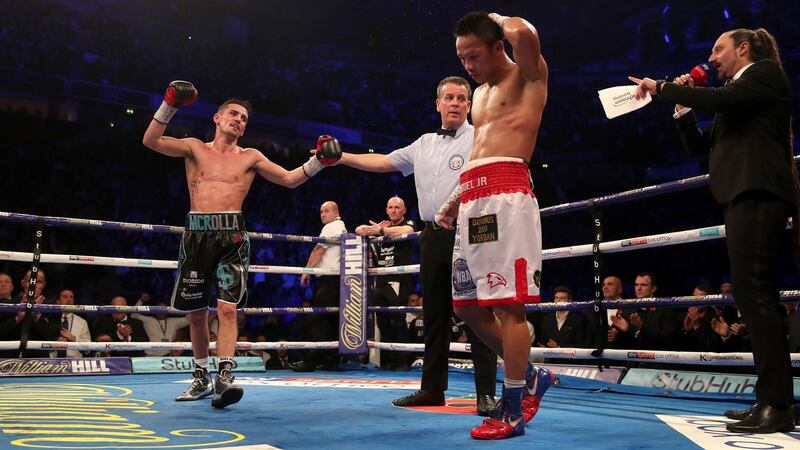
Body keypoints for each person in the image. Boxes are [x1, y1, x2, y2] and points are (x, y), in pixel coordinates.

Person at [629, 28, 798, 433]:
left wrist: (665, 87)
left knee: (754, 291)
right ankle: (770, 399)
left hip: (758, 191)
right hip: (743, 193)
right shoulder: (736, 96)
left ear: (743, 48)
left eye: (717, 49)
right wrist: (681, 108)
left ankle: (777, 403)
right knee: (753, 292)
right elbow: (699, 145)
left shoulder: (763, 74)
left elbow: (719, 99)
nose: (712, 58)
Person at [142, 81, 340, 408]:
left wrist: (319, 161)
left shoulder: (251, 156)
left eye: (244, 117)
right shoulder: (193, 147)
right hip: (196, 233)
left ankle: (225, 377)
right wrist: (170, 104)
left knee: (227, 308)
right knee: (195, 314)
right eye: (233, 114)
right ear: (217, 119)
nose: (239, 119)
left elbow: (289, 179)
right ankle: (200, 379)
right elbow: (150, 140)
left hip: (232, 235)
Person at [338, 75, 498, 416]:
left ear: (469, 105)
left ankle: (486, 392)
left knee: (477, 311)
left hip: (470, 231)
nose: (455, 103)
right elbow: (383, 162)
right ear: (437, 104)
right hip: (431, 235)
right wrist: (342, 158)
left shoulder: (481, 137)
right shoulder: (422, 143)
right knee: (435, 313)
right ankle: (431, 389)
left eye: (461, 98)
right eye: (449, 98)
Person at [437, 11, 555, 439]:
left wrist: (496, 17)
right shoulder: (482, 95)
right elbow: (480, 149)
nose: (467, 66)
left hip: (507, 196)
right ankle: (531, 375)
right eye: (461, 57)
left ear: (496, 45)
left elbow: (526, 32)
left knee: (509, 307)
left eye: (472, 55)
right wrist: (455, 199)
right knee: (465, 304)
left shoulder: (528, 76)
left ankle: (512, 407)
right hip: (473, 199)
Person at [355, 196, 416, 370]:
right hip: (381, 279)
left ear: (403, 210)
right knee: (382, 319)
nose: (394, 210)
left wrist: (381, 230)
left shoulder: (408, 223)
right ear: (387, 210)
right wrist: (375, 229)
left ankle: (402, 360)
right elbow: (359, 230)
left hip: (398, 279)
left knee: (397, 318)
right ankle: (389, 359)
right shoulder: (383, 226)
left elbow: (408, 230)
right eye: (390, 207)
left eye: (397, 207)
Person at [289, 201, 347, 372]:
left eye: (326, 211)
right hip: (336, 279)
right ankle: (331, 360)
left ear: (336, 212)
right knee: (330, 320)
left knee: (320, 319)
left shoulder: (331, 227)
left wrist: (307, 271)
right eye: (321, 211)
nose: (323, 214)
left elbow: (318, 250)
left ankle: (311, 361)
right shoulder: (341, 226)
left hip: (330, 279)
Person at [51, 289, 92, 358]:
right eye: (65, 297)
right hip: (51, 361)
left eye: (71, 297)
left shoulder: (82, 322)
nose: (69, 299)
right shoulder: (50, 319)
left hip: (74, 362)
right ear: (58, 301)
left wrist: (74, 339)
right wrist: (53, 343)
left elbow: (88, 350)